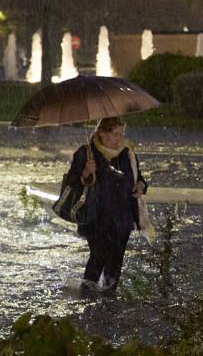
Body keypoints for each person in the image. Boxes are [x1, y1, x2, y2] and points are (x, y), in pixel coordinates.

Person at [64, 117, 148, 294]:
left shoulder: (127, 152)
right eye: (115, 134)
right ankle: (86, 296)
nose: (119, 138)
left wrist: (141, 185)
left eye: (121, 133)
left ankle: (109, 298)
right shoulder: (85, 153)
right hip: (95, 216)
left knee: (116, 260)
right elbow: (72, 182)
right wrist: (86, 172)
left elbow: (138, 176)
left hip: (122, 216)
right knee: (99, 256)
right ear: (101, 133)